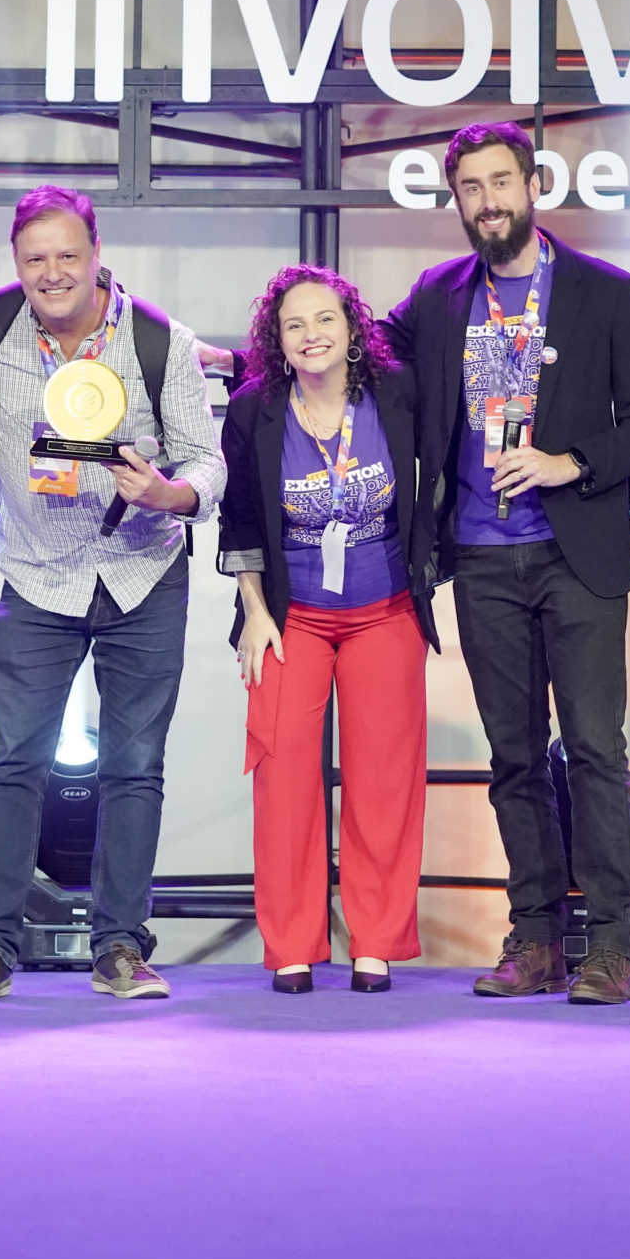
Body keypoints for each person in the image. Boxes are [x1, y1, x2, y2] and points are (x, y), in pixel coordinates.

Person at [382, 121, 630, 1005]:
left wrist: (567, 462)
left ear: (533, 185)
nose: (488, 201)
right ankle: (536, 938)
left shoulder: (603, 291)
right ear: (456, 199)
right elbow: (356, 352)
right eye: (471, 188)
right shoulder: (437, 295)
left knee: (594, 748)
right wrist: (249, 355)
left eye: (500, 182)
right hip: (479, 557)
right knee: (513, 757)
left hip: (575, 554)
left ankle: (611, 943)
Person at [0, 186, 225, 1003]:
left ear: (98, 254)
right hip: (36, 577)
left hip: (143, 574)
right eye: (36, 258)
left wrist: (170, 493)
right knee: (13, 764)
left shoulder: (159, 341)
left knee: (134, 768)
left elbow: (207, 459)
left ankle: (121, 947)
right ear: (16, 261)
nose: (53, 272)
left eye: (69, 254)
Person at [218, 264, 437, 994]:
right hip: (290, 618)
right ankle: (292, 943)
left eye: (324, 320)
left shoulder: (396, 394)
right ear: (276, 340)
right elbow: (240, 521)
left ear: (352, 330)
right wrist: (254, 612)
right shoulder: (254, 410)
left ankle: (375, 942)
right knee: (283, 779)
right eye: (294, 324)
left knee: (383, 781)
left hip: (387, 610)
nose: (311, 335)